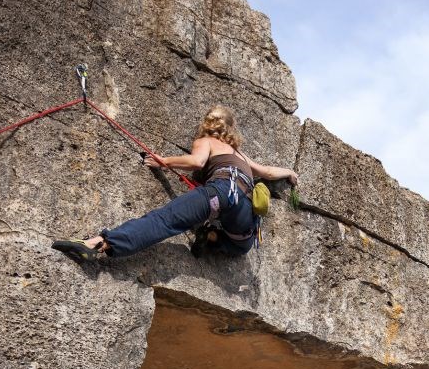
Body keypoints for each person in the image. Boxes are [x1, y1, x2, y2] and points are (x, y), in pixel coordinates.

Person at [52, 105, 298, 262]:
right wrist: (289, 172)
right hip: (245, 212)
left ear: (208, 125)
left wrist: (164, 161)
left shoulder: (207, 141)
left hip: (220, 193)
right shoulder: (240, 155)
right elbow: (266, 171)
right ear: (231, 130)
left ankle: (99, 243)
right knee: (242, 246)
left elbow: (196, 162)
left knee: (164, 220)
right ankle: (213, 238)